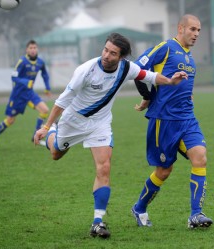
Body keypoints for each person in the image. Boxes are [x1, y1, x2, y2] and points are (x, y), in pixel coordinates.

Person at [33, 33, 188, 238]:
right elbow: (63, 100)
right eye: (105, 50)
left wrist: (169, 80)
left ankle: (98, 222)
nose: (106, 55)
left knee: (104, 168)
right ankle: (52, 135)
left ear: (121, 57)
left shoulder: (126, 68)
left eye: (113, 53)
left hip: (100, 124)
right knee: (56, 153)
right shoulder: (86, 70)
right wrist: (46, 126)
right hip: (73, 121)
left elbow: (149, 76)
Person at [131, 14, 213, 229]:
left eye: (198, 31)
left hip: (187, 119)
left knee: (200, 158)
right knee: (164, 171)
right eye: (192, 29)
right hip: (164, 120)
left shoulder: (190, 58)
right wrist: (147, 98)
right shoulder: (166, 47)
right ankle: (139, 208)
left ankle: (196, 215)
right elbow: (137, 70)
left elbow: (187, 89)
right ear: (180, 28)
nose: (196, 34)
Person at [0, 40, 52, 152]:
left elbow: (45, 74)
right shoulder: (22, 61)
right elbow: (14, 77)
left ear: (37, 49)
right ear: (27, 50)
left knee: (44, 110)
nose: (33, 50)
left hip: (29, 94)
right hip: (18, 95)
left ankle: (35, 136)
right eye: (30, 48)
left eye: (35, 48)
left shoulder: (40, 62)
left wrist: (47, 87)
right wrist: (26, 82)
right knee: (10, 120)